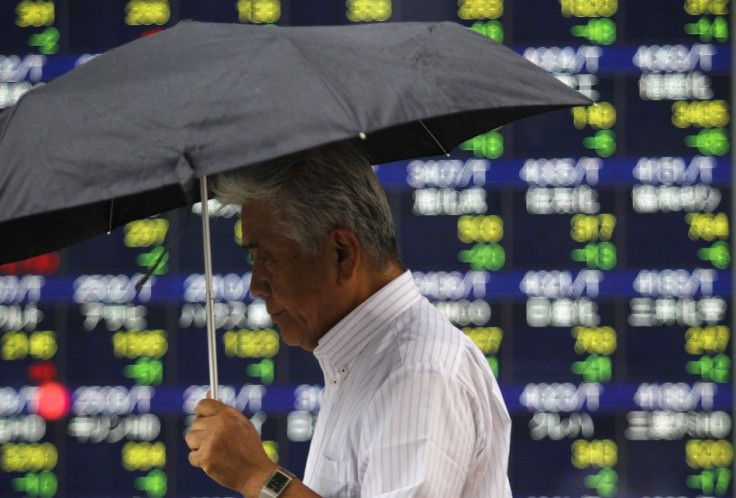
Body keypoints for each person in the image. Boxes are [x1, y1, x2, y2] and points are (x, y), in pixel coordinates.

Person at [184, 143, 512, 497]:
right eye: (254, 260)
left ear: (342, 253)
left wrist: (256, 476)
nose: (256, 285)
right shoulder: (369, 361)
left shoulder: (417, 372)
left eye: (269, 258)